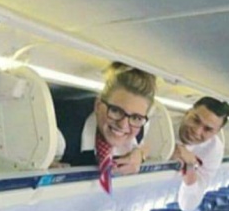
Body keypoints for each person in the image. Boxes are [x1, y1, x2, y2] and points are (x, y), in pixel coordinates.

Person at [51, 62, 155, 191]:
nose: (123, 125)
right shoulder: (60, 137)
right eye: (116, 111)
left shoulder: (141, 126)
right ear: (98, 105)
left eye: (135, 118)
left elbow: (145, 145)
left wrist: (140, 155)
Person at [171, 96, 229, 211]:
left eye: (208, 129)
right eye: (196, 120)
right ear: (187, 112)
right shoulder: (161, 123)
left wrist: (190, 167)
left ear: (216, 133)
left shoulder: (214, 150)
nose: (197, 131)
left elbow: (188, 205)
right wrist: (169, 150)